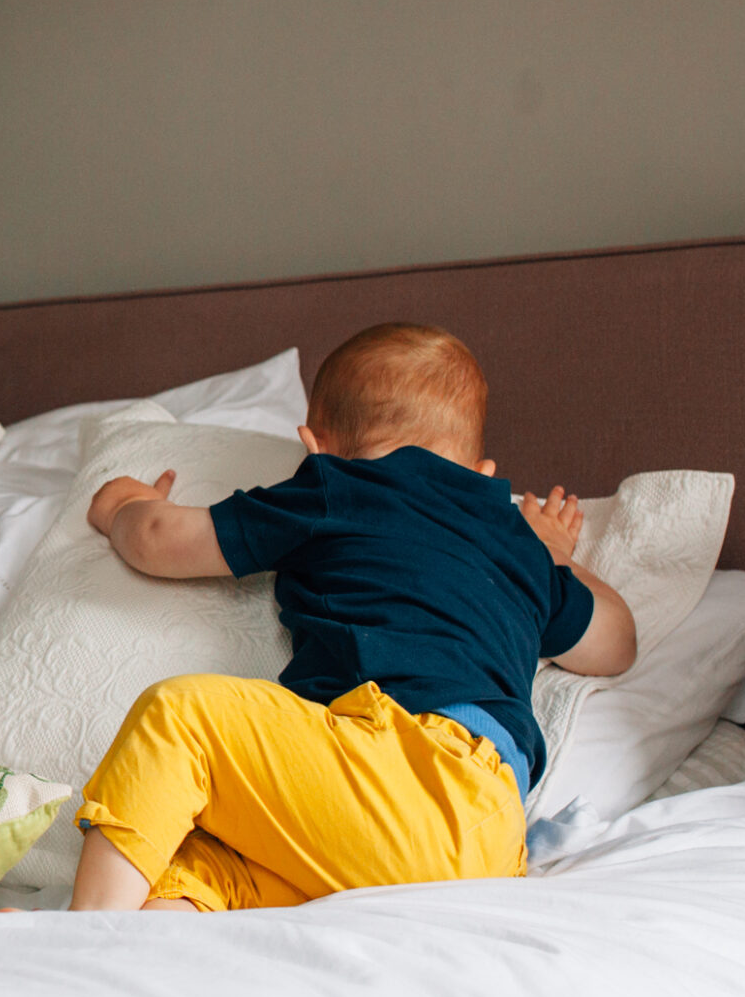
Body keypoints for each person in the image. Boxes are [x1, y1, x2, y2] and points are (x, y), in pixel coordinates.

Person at [66, 323, 637, 914]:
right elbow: (617, 643)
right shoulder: (518, 543)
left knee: (180, 717)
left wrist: (125, 505)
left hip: (407, 776)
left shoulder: (336, 488)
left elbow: (159, 540)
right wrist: (556, 557)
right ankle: (132, 944)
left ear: (315, 447)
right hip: (484, 837)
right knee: (204, 869)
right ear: (481, 471)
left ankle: (84, 932)